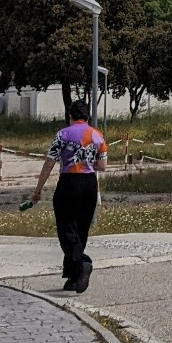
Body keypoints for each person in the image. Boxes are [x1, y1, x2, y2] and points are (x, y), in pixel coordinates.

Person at [26, 101, 107, 293]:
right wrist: (87, 163)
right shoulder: (97, 136)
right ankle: (73, 278)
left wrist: (38, 190)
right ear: (87, 117)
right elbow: (102, 167)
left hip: (69, 183)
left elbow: (49, 163)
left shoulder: (62, 135)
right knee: (81, 231)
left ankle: (83, 264)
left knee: (66, 230)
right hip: (89, 184)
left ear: (70, 116)